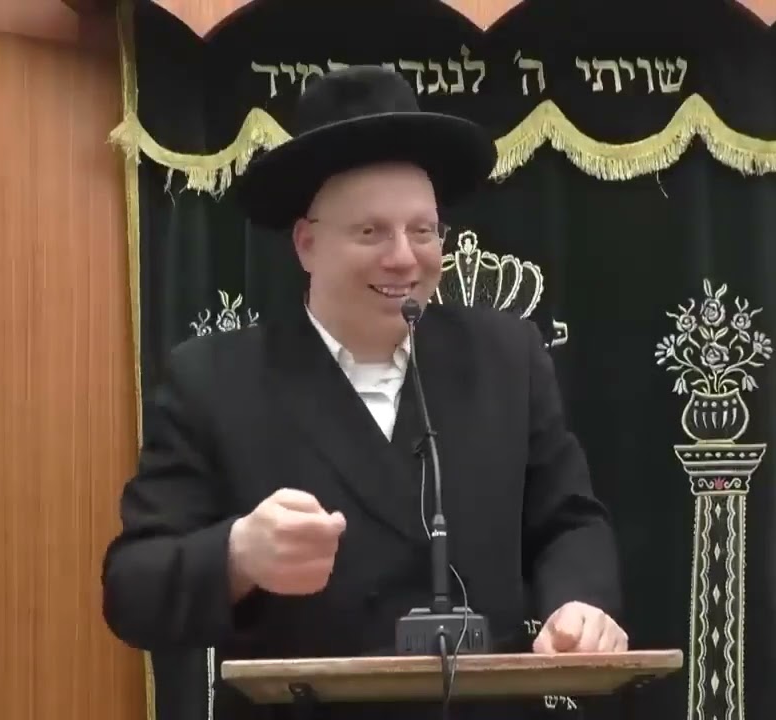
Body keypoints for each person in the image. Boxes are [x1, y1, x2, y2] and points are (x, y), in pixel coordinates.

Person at [101, 65, 626, 720]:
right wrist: (237, 556)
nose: (404, 257)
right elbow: (132, 589)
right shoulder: (213, 380)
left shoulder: (506, 357)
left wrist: (579, 602)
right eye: (371, 232)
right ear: (307, 244)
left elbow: (567, 522)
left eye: (423, 231)